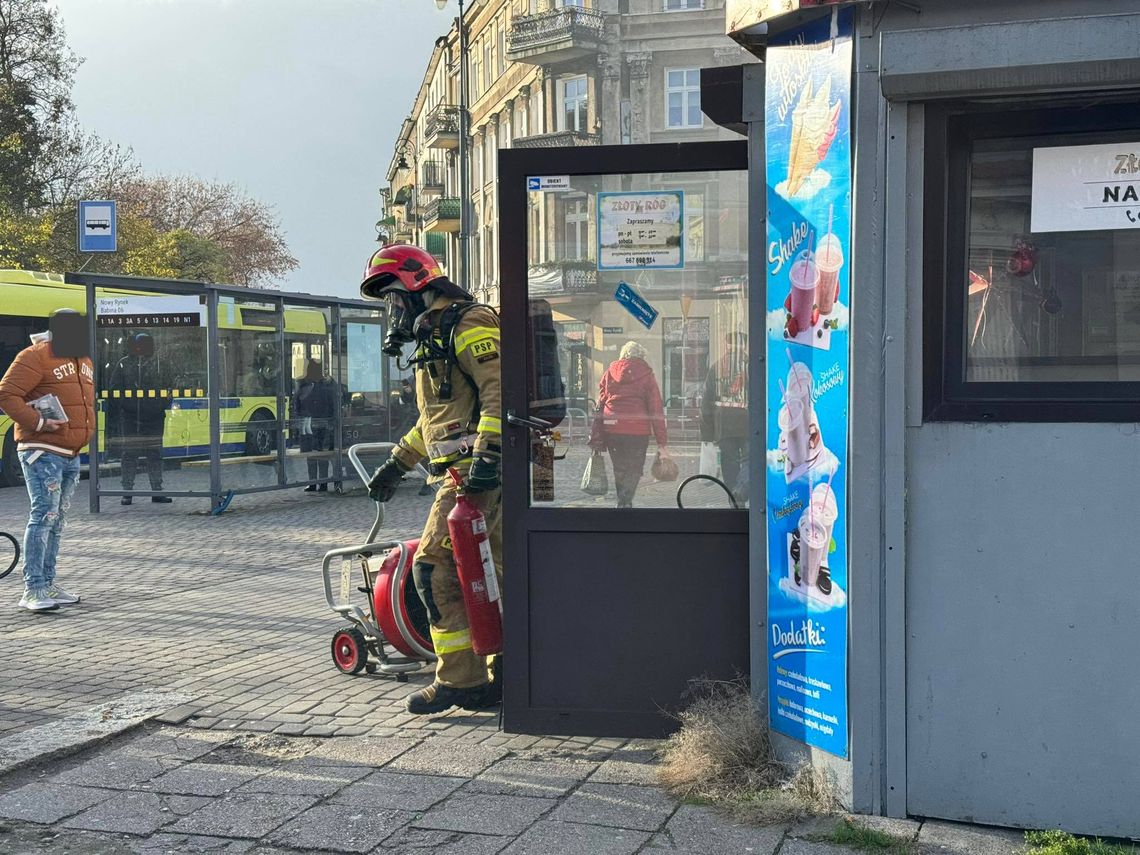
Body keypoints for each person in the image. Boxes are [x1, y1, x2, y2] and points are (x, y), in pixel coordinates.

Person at [360, 243, 502, 715]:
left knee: (432, 569)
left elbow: (498, 393)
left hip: (475, 475)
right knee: (495, 573)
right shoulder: (435, 335)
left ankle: (461, 681)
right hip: (473, 472)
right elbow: (439, 420)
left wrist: (490, 455)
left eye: (395, 297)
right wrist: (397, 463)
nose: (393, 309)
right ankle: (503, 675)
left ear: (420, 284)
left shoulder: (468, 324)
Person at [0, 309, 95, 612]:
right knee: (44, 515)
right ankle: (34, 588)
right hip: (41, 449)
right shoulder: (34, 356)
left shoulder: (83, 360)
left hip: (70, 453)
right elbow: (6, 394)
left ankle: (48, 583)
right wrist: (39, 423)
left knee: (57, 519)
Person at [590, 341, 670, 509]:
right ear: (641, 356)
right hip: (637, 430)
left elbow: (601, 400)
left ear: (624, 354)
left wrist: (598, 431)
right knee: (635, 467)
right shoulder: (647, 374)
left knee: (619, 467)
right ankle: (626, 500)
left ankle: (622, 501)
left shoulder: (610, 372)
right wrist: (661, 440)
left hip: (613, 428)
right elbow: (655, 407)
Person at [107, 333, 172, 505]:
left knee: (155, 453)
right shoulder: (123, 364)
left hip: (154, 417)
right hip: (130, 418)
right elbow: (114, 390)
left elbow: (169, 387)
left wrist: (159, 406)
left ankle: (156, 490)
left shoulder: (159, 363)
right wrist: (127, 407)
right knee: (129, 454)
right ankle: (127, 492)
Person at [700, 332, 749, 500]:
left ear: (726, 345)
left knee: (729, 462)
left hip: (724, 425)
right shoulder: (753, 364)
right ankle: (742, 488)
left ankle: (734, 498)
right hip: (749, 423)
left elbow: (706, 400)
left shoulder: (718, 367)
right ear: (745, 345)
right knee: (750, 459)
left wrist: (707, 431)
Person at [292, 359, 337, 492]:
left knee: (318, 454)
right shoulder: (310, 384)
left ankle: (319, 483)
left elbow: (297, 404)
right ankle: (317, 483)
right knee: (314, 454)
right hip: (314, 424)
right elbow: (297, 404)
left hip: (315, 424)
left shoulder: (317, 384)